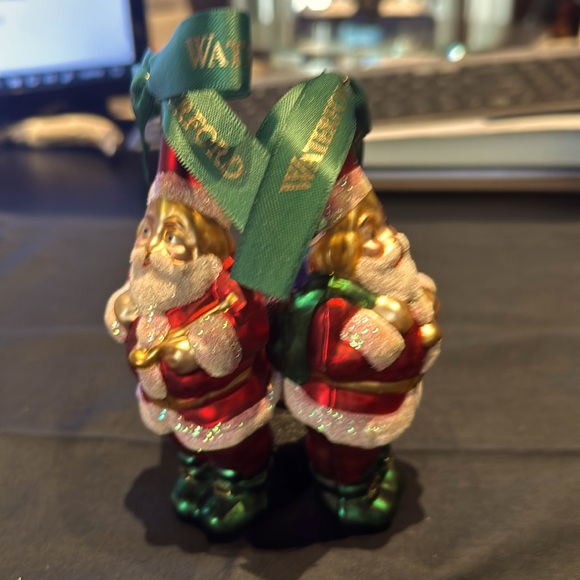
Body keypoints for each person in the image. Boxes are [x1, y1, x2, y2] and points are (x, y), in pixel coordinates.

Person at [104, 140, 275, 534]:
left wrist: (203, 343)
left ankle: (240, 486)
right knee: (184, 443)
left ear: (205, 244)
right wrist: (122, 309)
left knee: (235, 451)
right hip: (171, 403)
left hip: (225, 406)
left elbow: (249, 331)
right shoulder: (145, 284)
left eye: (171, 237)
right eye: (147, 230)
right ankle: (196, 470)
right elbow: (130, 306)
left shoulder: (229, 290)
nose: (150, 247)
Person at [269, 150, 441, 529]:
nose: (391, 240)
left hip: (382, 407)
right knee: (343, 457)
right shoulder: (334, 308)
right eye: (371, 234)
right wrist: (390, 334)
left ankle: (370, 471)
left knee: (369, 450)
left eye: (384, 225)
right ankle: (345, 492)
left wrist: (419, 310)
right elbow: (337, 360)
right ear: (341, 250)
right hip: (346, 410)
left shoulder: (389, 286)